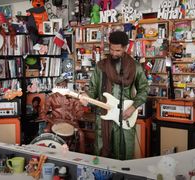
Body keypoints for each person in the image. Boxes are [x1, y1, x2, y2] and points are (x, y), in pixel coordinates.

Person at [80, 31, 149, 160]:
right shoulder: (101, 66)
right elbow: (93, 90)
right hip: (104, 118)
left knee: (124, 154)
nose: (113, 53)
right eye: (111, 49)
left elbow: (144, 90)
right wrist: (86, 97)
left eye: (117, 50)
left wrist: (133, 107)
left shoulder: (136, 67)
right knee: (101, 153)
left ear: (125, 48)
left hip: (125, 117)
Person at [39, 76, 85, 153]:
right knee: (46, 130)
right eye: (61, 84)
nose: (64, 85)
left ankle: (82, 157)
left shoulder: (73, 97)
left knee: (81, 134)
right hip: (55, 120)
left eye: (65, 83)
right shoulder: (51, 97)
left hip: (70, 121)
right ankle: (46, 153)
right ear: (57, 85)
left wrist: (76, 115)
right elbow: (42, 112)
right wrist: (50, 120)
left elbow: (79, 111)